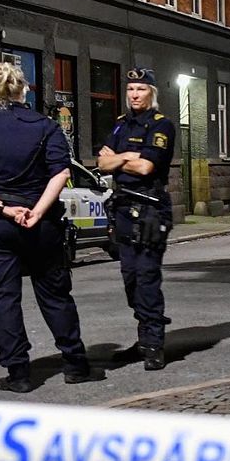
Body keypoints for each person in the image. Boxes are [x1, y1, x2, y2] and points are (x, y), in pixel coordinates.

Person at [0, 62, 101, 393]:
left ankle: (19, 373)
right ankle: (75, 363)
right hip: (42, 224)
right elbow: (61, 173)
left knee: (5, 299)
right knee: (55, 294)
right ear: (25, 90)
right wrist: (37, 211)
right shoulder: (46, 127)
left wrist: (4, 209)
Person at [96, 67, 176, 371]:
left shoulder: (161, 125)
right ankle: (143, 337)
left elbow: (146, 168)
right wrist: (128, 157)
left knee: (146, 277)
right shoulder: (121, 124)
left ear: (151, 93)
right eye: (131, 89)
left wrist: (119, 159)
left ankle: (154, 344)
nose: (134, 94)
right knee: (129, 277)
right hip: (123, 208)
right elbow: (102, 163)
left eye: (141, 89)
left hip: (151, 209)